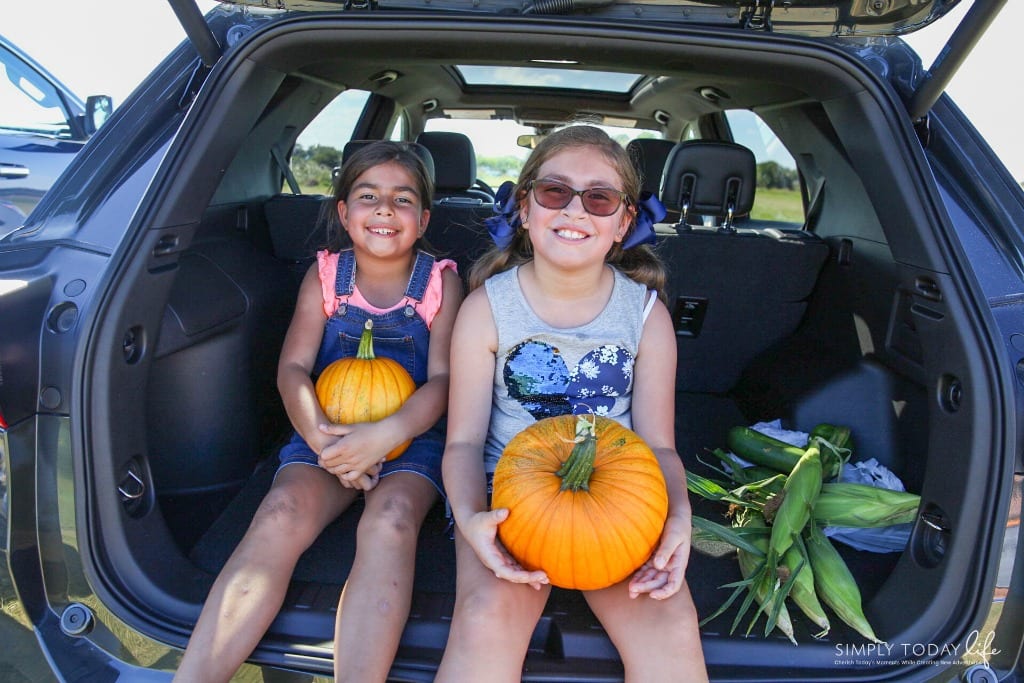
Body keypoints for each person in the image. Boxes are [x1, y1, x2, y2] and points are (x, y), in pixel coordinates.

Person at [174, 141, 463, 683]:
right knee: (280, 512)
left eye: (402, 199)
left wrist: (386, 436)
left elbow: (445, 381)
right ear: (343, 213)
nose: (384, 209)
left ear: (423, 219)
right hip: (323, 428)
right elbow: (293, 370)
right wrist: (325, 442)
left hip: (411, 435)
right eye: (368, 195)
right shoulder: (326, 277)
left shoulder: (440, 282)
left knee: (391, 522)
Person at [435, 125, 707, 682]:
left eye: (600, 198)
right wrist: (471, 521)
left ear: (623, 223)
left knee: (672, 628)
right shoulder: (487, 309)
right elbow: (462, 441)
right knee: (485, 618)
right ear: (525, 207)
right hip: (507, 498)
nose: (576, 211)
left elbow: (659, 446)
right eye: (555, 192)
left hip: (621, 498)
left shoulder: (646, 317)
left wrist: (679, 518)